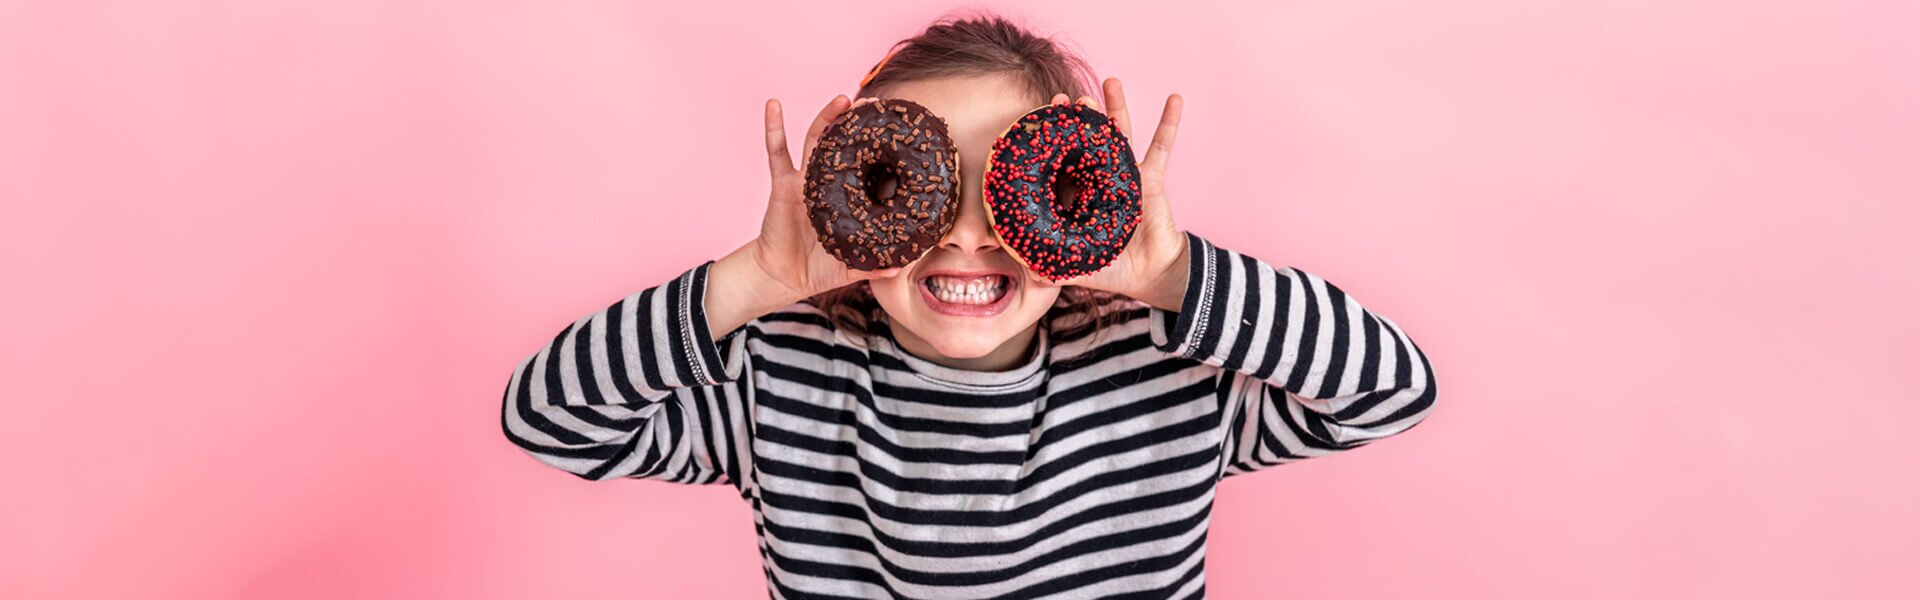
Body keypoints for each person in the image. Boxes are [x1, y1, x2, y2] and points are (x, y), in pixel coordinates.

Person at [501, 12, 1438, 599]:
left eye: (1011, 190)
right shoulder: (780, 377)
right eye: (914, 185)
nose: (963, 234)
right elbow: (552, 420)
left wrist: (1172, 277)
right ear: (849, 198)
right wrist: (762, 279)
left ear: (1080, 194)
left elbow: (1391, 390)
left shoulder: (1170, 373)